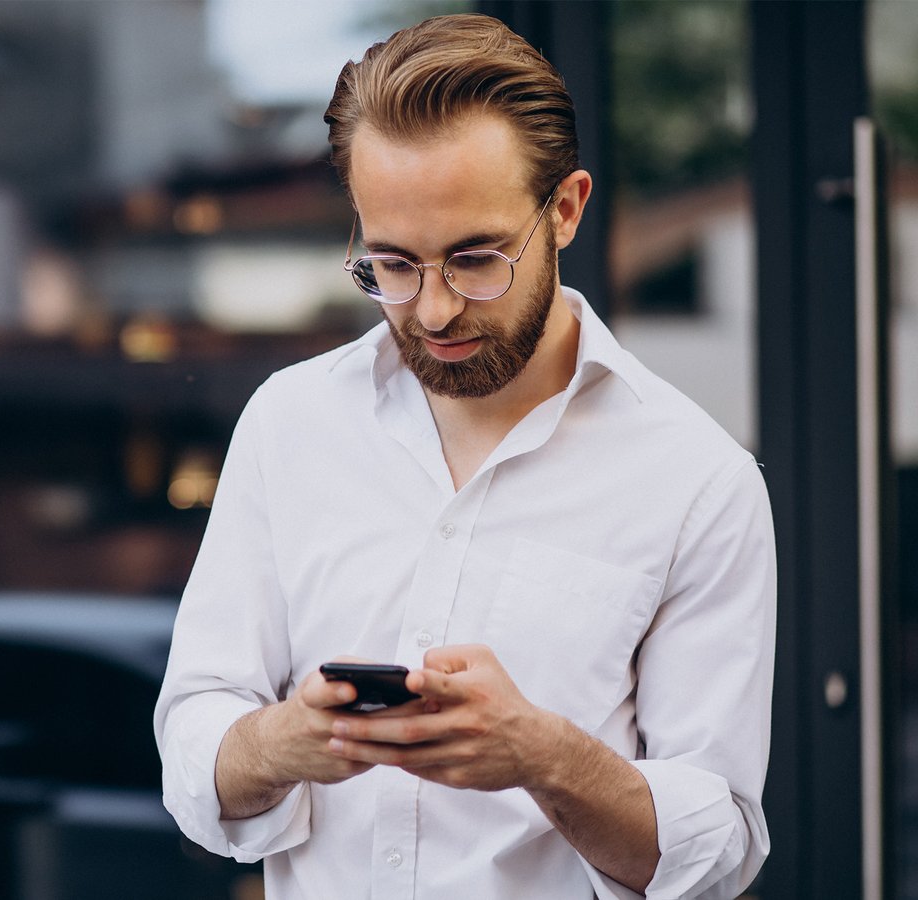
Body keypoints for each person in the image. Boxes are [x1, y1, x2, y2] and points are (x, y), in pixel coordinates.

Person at [153, 14, 774, 900]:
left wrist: (543, 755)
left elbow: (716, 853)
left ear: (564, 210)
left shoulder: (699, 484)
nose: (435, 310)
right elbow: (192, 745)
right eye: (393, 265)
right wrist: (286, 740)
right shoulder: (287, 425)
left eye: (476, 259)